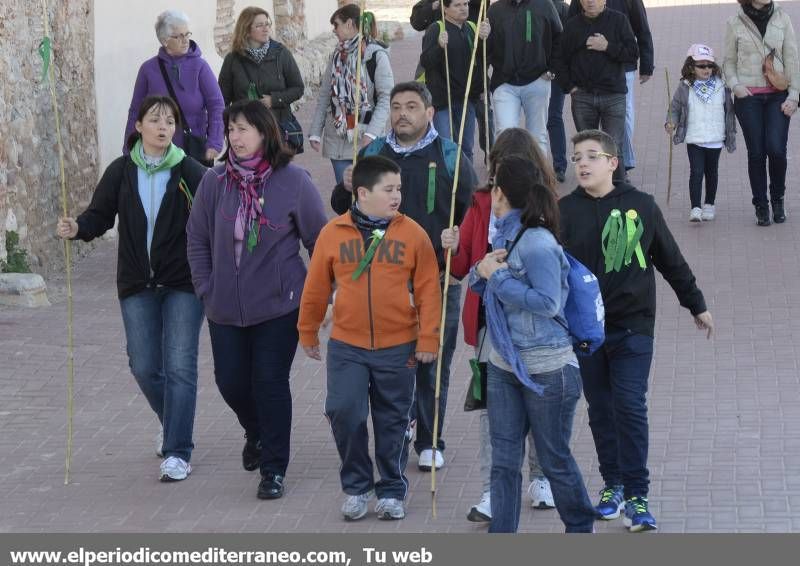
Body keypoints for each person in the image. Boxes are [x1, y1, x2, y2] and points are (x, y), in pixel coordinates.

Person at [559, 129, 715, 532]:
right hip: (585, 332)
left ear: (613, 163)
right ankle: (612, 484)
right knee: (600, 410)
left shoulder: (640, 206)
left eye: (592, 156)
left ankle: (637, 495)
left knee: (629, 405)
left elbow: (670, 258)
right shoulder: (563, 211)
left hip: (633, 327)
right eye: (577, 158)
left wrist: (696, 303)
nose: (583, 164)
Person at [58, 96, 207, 482]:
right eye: (155, 120)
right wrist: (77, 228)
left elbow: (214, 216)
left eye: (170, 121)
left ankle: (178, 451)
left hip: (183, 283)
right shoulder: (122, 171)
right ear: (138, 126)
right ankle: (171, 420)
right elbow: (100, 215)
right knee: (143, 365)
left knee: (180, 366)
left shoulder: (190, 170)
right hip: (136, 282)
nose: (163, 127)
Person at [331, 82, 477, 472]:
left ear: (430, 113)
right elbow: (343, 206)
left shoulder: (449, 154)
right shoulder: (373, 152)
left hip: (438, 276)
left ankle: (431, 439)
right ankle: (399, 425)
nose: (402, 114)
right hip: (381, 280)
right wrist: (345, 185)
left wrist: (458, 236)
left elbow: (473, 212)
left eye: (412, 106)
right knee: (388, 363)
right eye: (396, 106)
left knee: (432, 360)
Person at [186, 100, 327, 500]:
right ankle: (256, 432)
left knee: (269, 382)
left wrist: (320, 296)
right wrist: (205, 287)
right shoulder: (214, 183)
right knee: (230, 382)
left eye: (244, 129)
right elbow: (196, 238)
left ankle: (274, 469)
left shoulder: (293, 181)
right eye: (231, 129)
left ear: (264, 133)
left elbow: (320, 241)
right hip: (224, 306)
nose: (236, 137)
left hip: (279, 306)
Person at [298, 156, 442, 522]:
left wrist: (428, 338)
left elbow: (428, 289)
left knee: (392, 420)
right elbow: (315, 287)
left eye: (399, 189)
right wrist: (308, 328)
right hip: (347, 346)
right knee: (344, 411)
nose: (397, 196)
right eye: (388, 190)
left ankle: (392, 488)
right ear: (362, 193)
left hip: (399, 346)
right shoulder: (333, 234)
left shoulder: (413, 233)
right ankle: (358, 486)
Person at [467, 154, 596, 533]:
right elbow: (486, 281)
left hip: (547, 368)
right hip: (505, 365)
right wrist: (481, 270)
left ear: (501, 193)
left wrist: (499, 277)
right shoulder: (507, 233)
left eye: (493, 186)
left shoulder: (538, 242)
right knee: (504, 461)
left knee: (554, 458)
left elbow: (547, 302)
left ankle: (579, 528)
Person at [440, 128, 557, 523]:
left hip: (538, 330)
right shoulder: (478, 206)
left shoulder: (548, 210)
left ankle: (542, 477)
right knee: (493, 412)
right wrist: (452, 245)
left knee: (540, 405)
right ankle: (493, 490)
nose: (493, 181)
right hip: (490, 329)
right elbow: (459, 270)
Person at [723, 0, 798, 226]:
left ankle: (777, 199)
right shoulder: (734, 22)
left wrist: (794, 95)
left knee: (776, 149)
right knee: (756, 153)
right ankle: (761, 205)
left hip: (778, 95)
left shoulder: (783, 18)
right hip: (749, 97)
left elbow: (793, 59)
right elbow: (729, 62)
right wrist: (735, 85)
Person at [124, 10, 224, 165]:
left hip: (192, 152)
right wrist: (128, 148)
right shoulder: (148, 69)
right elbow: (136, 110)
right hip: (157, 152)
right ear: (164, 40)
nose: (185, 40)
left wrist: (214, 141)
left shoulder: (200, 66)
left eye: (187, 34)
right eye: (178, 36)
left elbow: (216, 104)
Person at [309, 4, 394, 185]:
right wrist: (315, 131)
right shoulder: (336, 56)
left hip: (366, 138)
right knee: (344, 194)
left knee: (368, 194)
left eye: (336, 25)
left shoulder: (375, 56)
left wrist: (371, 134)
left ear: (349, 24)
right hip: (338, 137)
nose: (334, 30)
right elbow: (325, 95)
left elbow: (386, 97)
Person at [553, 0, 638, 179]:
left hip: (613, 95)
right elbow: (559, 59)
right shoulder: (572, 26)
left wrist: (607, 46)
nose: (590, 2)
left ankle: (618, 191)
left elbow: (632, 53)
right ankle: (592, 193)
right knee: (587, 148)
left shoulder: (618, 20)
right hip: (583, 97)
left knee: (613, 148)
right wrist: (570, 86)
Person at [568, 0, 655, 174]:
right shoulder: (582, 4)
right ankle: (604, 169)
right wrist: (569, 83)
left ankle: (624, 162)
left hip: (622, 68)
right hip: (587, 77)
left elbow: (642, 28)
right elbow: (568, 33)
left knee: (625, 118)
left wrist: (647, 65)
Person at [666, 44, 736, 223]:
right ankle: (695, 207)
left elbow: (729, 110)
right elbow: (674, 107)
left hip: (715, 137)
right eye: (701, 66)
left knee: (712, 172)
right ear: (691, 67)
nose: (706, 69)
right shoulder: (685, 86)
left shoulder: (722, 86)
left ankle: (709, 204)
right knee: (696, 172)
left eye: (710, 65)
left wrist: (730, 132)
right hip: (694, 137)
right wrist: (671, 121)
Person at [486, 0, 562, 154]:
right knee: (504, 135)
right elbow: (485, 51)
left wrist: (552, 69)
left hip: (538, 80)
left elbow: (559, 38)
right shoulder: (495, 10)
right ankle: (506, 175)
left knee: (537, 136)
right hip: (504, 83)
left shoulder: (544, 5)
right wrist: (483, 38)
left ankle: (537, 177)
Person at [419, 0, 491, 164]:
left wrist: (482, 39)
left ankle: (466, 186)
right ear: (445, 9)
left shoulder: (471, 28)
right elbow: (426, 61)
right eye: (457, 5)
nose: (463, 8)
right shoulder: (436, 29)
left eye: (465, 4)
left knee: (466, 147)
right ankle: (448, 185)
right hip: (444, 102)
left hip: (467, 99)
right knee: (446, 147)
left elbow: (481, 60)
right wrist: (439, 46)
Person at [217, 7, 305, 128]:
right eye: (259, 25)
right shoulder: (232, 60)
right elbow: (222, 99)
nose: (266, 29)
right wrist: (228, 128)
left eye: (267, 24)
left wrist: (274, 100)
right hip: (246, 129)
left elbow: (298, 88)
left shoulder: (281, 53)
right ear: (246, 30)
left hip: (278, 128)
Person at [547, 0, 570, 182]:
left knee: (553, 116)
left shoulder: (562, 9)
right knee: (552, 117)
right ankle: (558, 165)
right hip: (534, 72)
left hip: (555, 74)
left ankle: (559, 165)